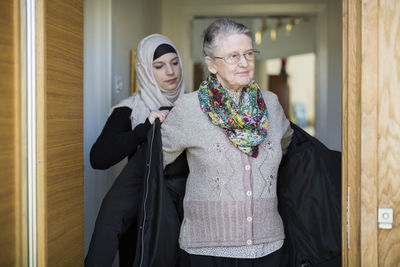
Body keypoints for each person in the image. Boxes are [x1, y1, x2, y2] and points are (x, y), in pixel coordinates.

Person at [159, 18, 293, 266]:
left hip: (271, 247)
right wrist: (153, 124)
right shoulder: (189, 107)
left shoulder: (271, 104)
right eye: (233, 56)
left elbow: (288, 147)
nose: (244, 63)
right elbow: (155, 162)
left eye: (249, 54)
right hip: (206, 251)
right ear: (211, 64)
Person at [85, 34, 184, 267]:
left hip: (186, 219)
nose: (170, 72)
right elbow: (98, 158)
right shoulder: (129, 110)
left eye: (174, 62)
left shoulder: (194, 105)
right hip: (140, 220)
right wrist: (144, 129)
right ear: (145, 70)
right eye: (159, 66)